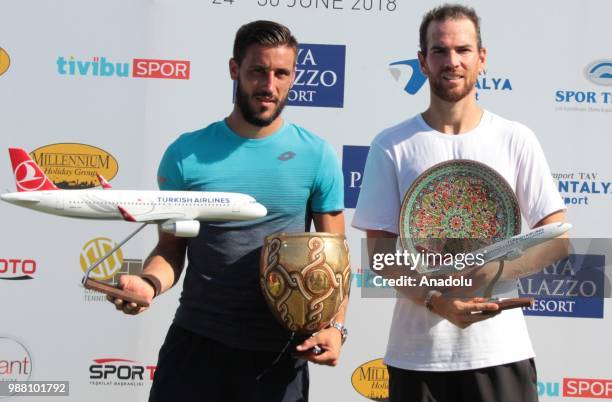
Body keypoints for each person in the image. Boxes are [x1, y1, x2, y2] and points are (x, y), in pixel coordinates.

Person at [107, 20, 347, 402]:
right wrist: (147, 283)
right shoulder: (185, 155)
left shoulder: (317, 156)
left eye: (281, 73)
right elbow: (170, 251)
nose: (269, 85)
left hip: (279, 355)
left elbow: (337, 261)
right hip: (196, 348)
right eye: (258, 71)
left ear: (293, 76)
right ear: (235, 69)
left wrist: (335, 327)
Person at [352, 4, 566, 402]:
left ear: (481, 58)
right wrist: (437, 299)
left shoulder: (515, 138)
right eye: (440, 51)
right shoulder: (392, 144)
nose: (452, 61)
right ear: (422, 62)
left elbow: (557, 239)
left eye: (463, 50)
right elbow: (379, 254)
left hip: (500, 352)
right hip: (418, 357)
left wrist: (487, 271)